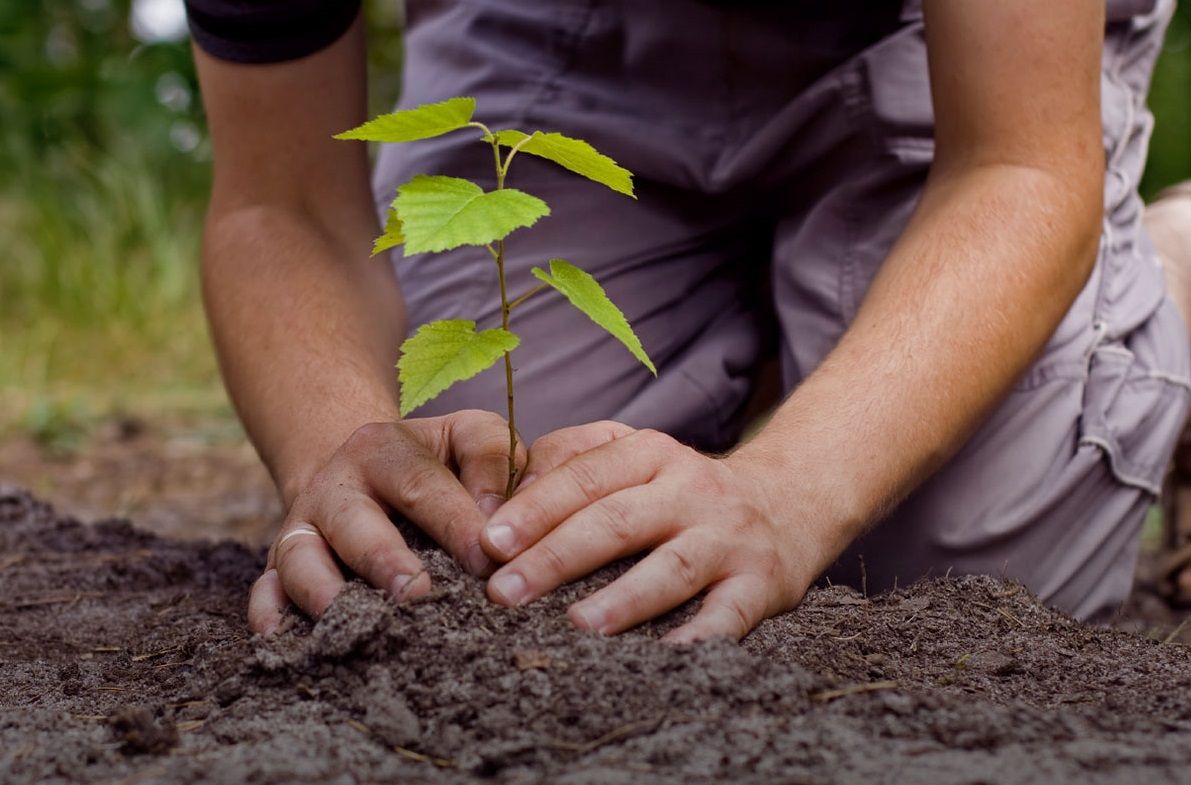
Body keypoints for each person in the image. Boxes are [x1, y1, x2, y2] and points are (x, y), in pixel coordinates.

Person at [186, 0, 1191, 641]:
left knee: (949, 580)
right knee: (489, 527)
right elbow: (283, 204)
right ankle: (777, 320)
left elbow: (1015, 162)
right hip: (560, 28)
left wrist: (789, 491)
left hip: (952, 43)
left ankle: (1168, 266)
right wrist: (338, 452)